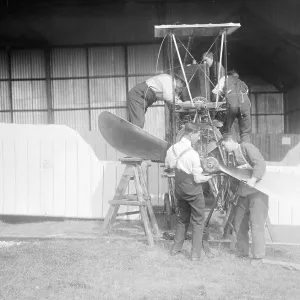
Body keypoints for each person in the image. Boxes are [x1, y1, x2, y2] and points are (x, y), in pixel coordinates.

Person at [165, 122, 212, 261]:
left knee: (182, 218)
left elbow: (168, 165)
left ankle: (175, 249)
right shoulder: (193, 154)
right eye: (198, 135)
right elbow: (197, 179)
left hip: (179, 188)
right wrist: (209, 176)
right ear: (191, 134)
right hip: (192, 189)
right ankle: (195, 254)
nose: (198, 138)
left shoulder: (171, 149)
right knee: (198, 221)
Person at [220, 136, 268, 266]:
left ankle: (258, 257)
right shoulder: (231, 157)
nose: (224, 149)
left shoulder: (247, 147)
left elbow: (260, 163)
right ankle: (242, 252)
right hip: (242, 193)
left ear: (230, 140)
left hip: (257, 193)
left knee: (256, 224)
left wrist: (253, 179)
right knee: (239, 223)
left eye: (224, 145)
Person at [213, 70, 252, 143]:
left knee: (227, 129)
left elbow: (215, 93)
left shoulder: (225, 78)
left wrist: (215, 105)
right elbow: (245, 94)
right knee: (245, 132)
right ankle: (246, 150)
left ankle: (228, 149)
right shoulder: (242, 83)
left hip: (232, 104)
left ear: (228, 75)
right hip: (245, 105)